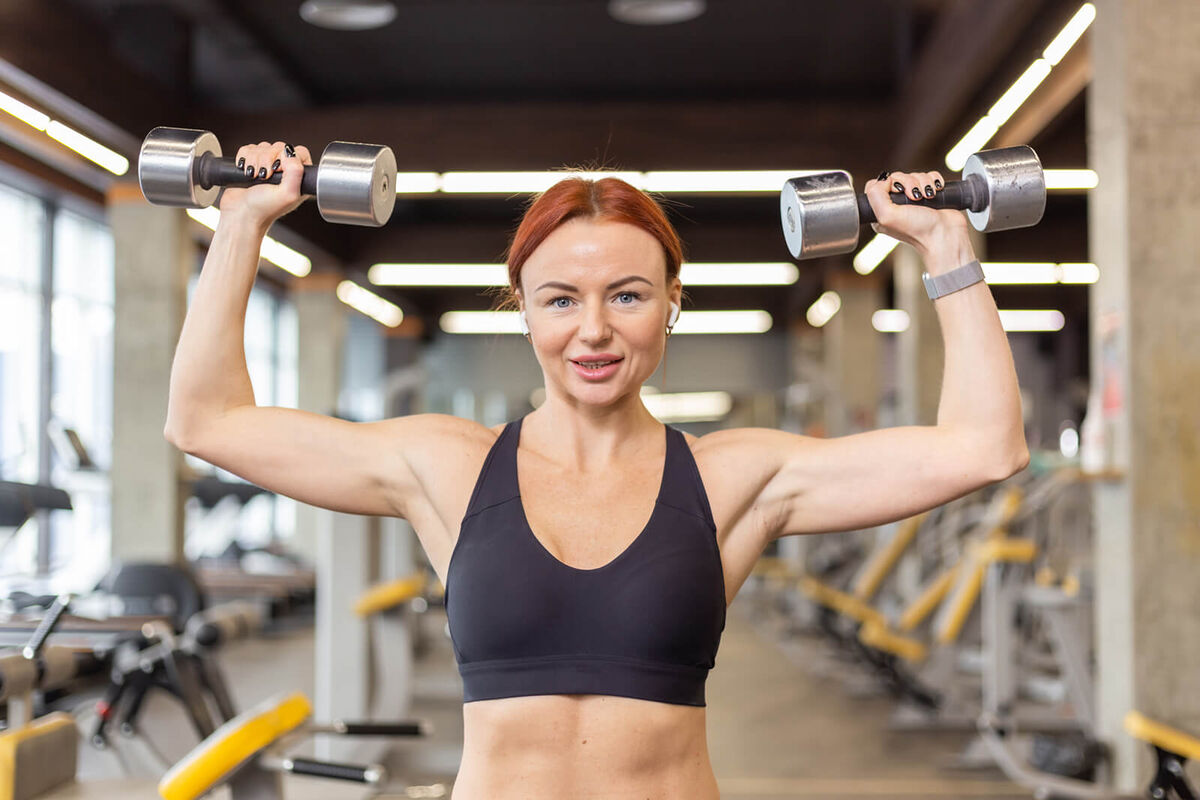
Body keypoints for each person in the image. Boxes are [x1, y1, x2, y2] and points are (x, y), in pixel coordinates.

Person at [164, 141, 1029, 799]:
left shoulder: (735, 479)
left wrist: (946, 244)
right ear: (524, 310)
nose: (593, 331)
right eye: (561, 300)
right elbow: (207, 421)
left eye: (627, 295)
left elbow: (984, 447)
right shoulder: (447, 467)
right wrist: (241, 223)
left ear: (671, 303)